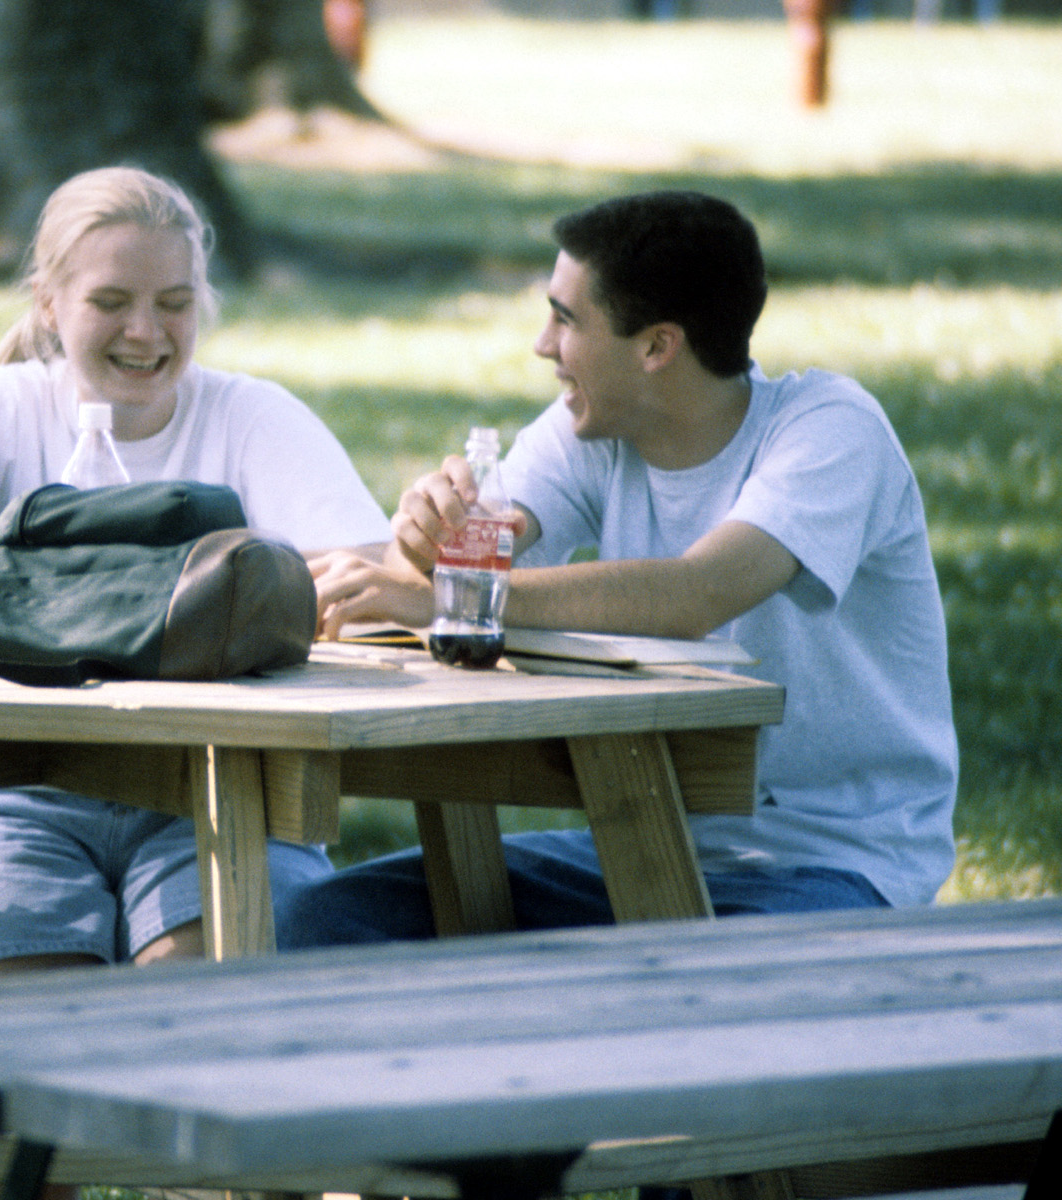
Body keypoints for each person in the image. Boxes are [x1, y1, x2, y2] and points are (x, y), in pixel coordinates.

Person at [293, 189, 958, 946]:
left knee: (690, 989)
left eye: (566, 319)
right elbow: (462, 572)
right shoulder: (594, 427)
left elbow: (697, 593)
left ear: (655, 347)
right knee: (324, 921)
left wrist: (456, 596)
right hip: (636, 837)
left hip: (830, 864)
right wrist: (426, 546)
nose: (543, 345)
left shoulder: (830, 430)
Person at [0, 165, 392, 988]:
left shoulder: (249, 416)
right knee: (16, 1001)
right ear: (48, 303)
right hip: (8, 784)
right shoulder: (4, 410)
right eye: (111, 301)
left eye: (174, 303)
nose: (145, 332)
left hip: (221, 784)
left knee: (209, 997)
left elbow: (371, 584)